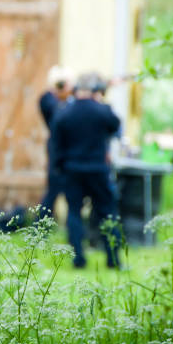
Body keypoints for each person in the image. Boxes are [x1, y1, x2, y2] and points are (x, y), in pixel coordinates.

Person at [52, 72, 122, 269]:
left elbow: (56, 145)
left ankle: (78, 259)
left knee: (74, 213)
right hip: (98, 169)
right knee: (107, 212)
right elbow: (115, 126)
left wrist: (59, 168)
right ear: (95, 90)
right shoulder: (102, 110)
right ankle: (113, 260)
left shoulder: (64, 112)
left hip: (72, 169)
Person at [38, 66, 73, 220]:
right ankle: (40, 226)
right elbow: (59, 115)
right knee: (52, 191)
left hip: (69, 149)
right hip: (57, 150)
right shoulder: (47, 99)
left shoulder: (67, 101)